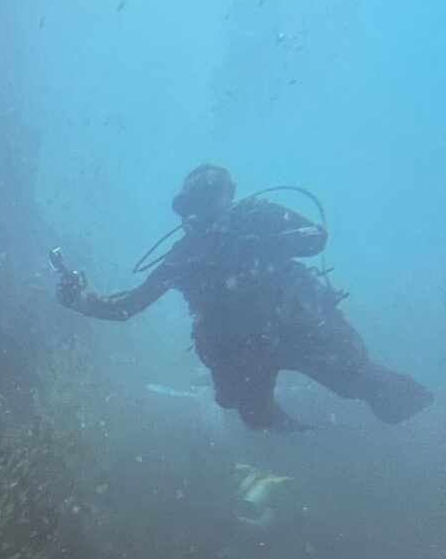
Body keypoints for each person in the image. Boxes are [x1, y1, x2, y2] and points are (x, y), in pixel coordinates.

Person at [56, 164, 434, 432]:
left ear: (226, 197)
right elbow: (126, 307)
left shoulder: (257, 216)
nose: (199, 211)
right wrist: (80, 299)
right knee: (251, 412)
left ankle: (425, 409)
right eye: (192, 204)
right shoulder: (186, 254)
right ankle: (298, 440)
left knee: (358, 381)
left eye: (208, 198)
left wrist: (256, 242)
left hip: (298, 325)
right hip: (240, 349)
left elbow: (315, 237)